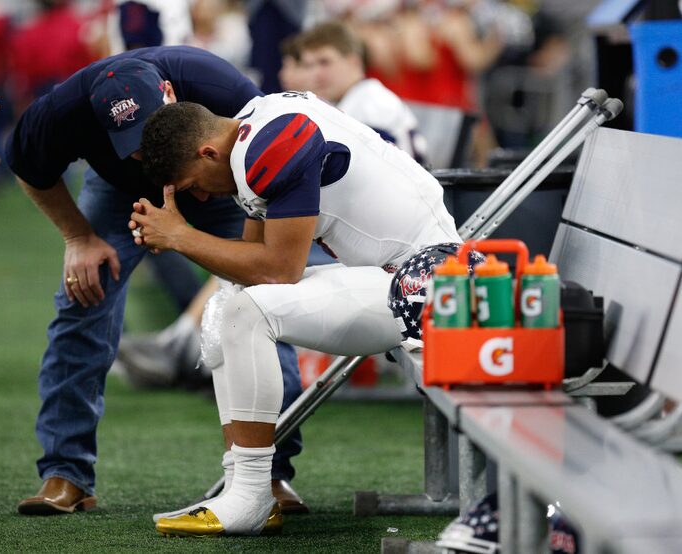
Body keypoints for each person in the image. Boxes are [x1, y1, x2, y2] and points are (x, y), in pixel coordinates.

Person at [131, 91, 462, 536]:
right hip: (399, 273)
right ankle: (241, 485)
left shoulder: (270, 143)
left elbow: (277, 271)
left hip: (427, 282)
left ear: (207, 152)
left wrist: (180, 237)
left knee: (249, 311)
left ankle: (251, 494)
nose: (204, 197)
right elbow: (250, 265)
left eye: (194, 185)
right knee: (226, 305)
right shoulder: (255, 123)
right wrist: (180, 237)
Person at [6, 46, 308, 516]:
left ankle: (271, 474)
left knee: (264, 304)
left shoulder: (222, 88)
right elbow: (27, 164)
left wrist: (241, 248)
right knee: (83, 297)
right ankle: (65, 473)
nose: (147, 150)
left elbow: (273, 167)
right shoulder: (65, 110)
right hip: (121, 191)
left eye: (150, 136)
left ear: (170, 95)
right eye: (136, 143)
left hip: (223, 179)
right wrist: (78, 237)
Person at [298, 21, 428, 163]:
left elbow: (383, 171)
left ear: (354, 62)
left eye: (325, 62)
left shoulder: (371, 106)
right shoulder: (361, 97)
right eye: (309, 65)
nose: (316, 74)